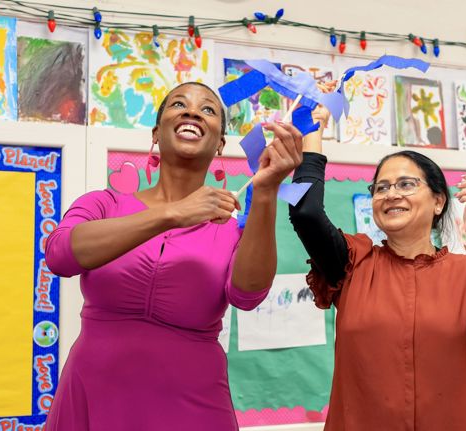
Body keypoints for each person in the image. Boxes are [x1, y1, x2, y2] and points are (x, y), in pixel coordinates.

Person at [43, 81, 304, 430]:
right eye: (178, 104)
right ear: (156, 133)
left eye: (208, 109)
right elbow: (60, 255)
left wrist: (267, 190)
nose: (193, 111)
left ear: (220, 144)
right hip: (94, 393)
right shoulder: (103, 204)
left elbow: (247, 295)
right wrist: (172, 213)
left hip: (194, 403)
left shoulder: (231, 228)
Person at [289, 84, 466, 430]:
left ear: (438, 201)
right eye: (381, 187)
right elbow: (305, 212)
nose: (390, 195)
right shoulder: (354, 264)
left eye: (406, 185)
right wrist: (312, 138)